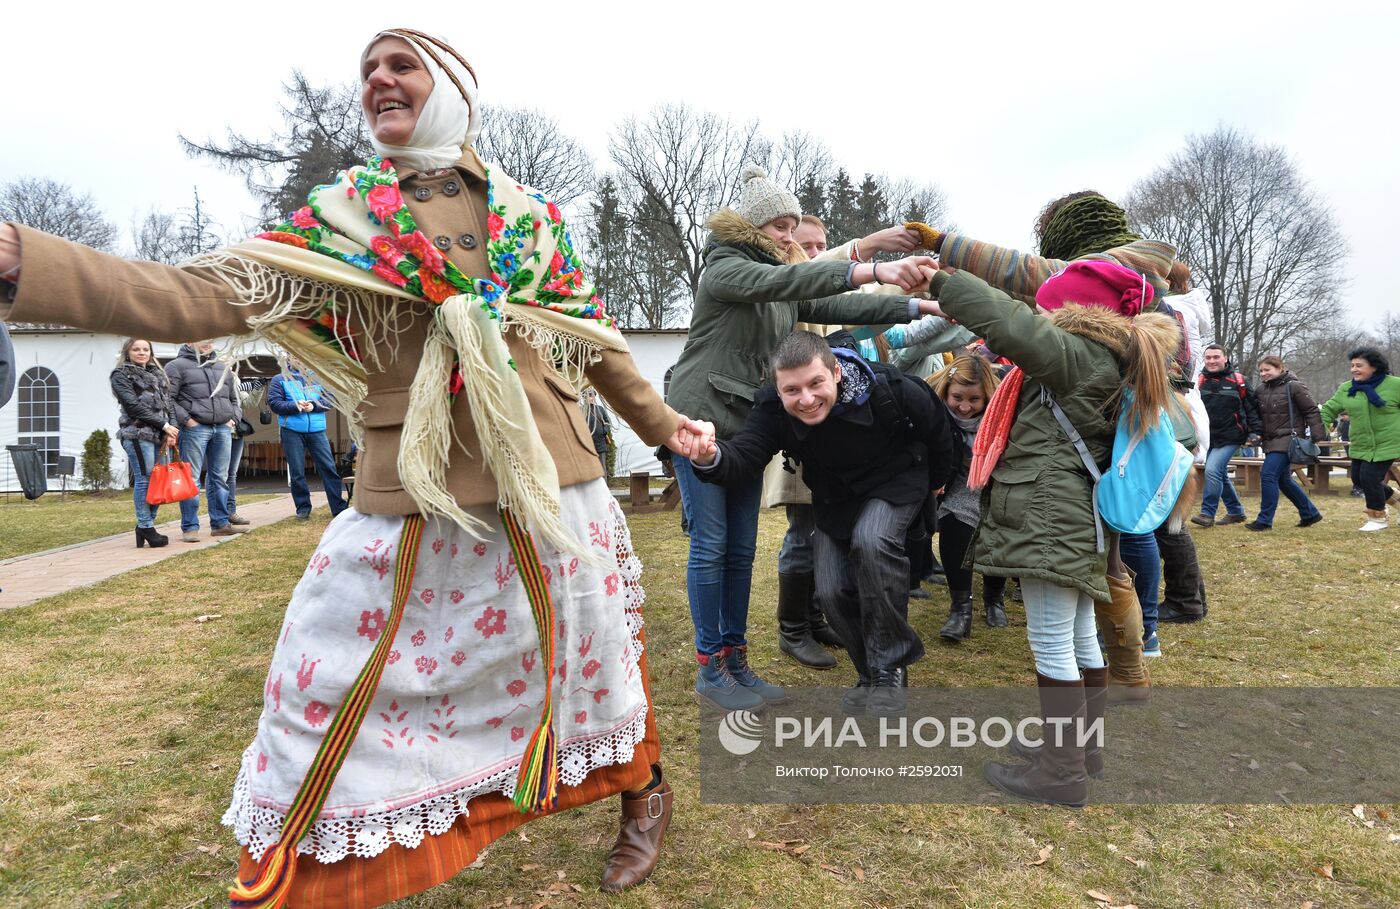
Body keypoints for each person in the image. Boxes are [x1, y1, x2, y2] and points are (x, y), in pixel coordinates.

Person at [0, 29, 716, 905]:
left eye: (401, 64)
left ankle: (643, 791)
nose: (378, 79)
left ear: (450, 87)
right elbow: (191, 295)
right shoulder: (341, 224)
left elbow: (596, 342)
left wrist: (665, 422)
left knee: (589, 657)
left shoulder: (531, 220)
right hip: (416, 493)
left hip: (552, 483)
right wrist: (22, 261)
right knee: (334, 683)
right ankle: (317, 877)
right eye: (369, 70)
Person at [664, 165, 941, 710]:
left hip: (747, 421)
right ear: (750, 227)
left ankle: (737, 662)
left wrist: (915, 306)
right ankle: (710, 668)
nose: (789, 236)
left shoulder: (781, 276)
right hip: (699, 418)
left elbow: (833, 304)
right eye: (778, 226)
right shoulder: (725, 268)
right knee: (712, 545)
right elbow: (787, 282)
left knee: (742, 549)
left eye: (793, 225)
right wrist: (871, 265)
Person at [924, 259, 1186, 806]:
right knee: (1078, 634)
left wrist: (940, 278)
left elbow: (1008, 323)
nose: (1042, 315)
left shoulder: (1081, 354)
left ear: (1075, 311)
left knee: (1051, 641)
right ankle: (1080, 752)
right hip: (1077, 514)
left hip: (1052, 515)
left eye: (1049, 307)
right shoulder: (1112, 357)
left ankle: (1060, 772)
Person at [688, 330, 955, 714]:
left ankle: (890, 671)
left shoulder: (890, 388)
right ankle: (868, 672)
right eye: (792, 390)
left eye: (816, 383)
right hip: (836, 497)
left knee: (872, 541)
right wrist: (709, 456)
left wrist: (936, 483)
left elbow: (937, 429)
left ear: (836, 372)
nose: (807, 399)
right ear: (777, 390)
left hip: (896, 481)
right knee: (830, 589)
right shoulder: (773, 409)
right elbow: (746, 455)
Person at [927, 354, 1006, 641]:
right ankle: (961, 609)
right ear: (946, 391)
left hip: (996, 477)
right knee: (954, 523)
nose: (964, 406)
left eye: (974, 400)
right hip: (958, 479)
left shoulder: (1003, 412)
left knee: (998, 530)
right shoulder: (933, 411)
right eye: (957, 397)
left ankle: (994, 598)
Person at [164, 340, 248, 541]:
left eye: (210, 339)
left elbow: (234, 398)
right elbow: (168, 398)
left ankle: (220, 524)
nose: (207, 343)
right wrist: (187, 421)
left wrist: (232, 419)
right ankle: (190, 527)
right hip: (195, 429)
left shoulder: (222, 366)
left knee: (220, 477)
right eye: (203, 339)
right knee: (191, 478)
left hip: (222, 428)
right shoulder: (175, 366)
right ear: (189, 341)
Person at [1319, 347, 1400, 531]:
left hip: (1388, 442)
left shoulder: (1395, 385)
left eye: (1359, 365)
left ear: (1374, 367)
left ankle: (1377, 517)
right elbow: (1329, 410)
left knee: (1369, 478)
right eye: (1352, 365)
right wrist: (1320, 428)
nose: (1354, 369)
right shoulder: (1347, 388)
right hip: (1361, 442)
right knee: (1359, 479)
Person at [110, 338, 179, 548]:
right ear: (127, 352)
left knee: (158, 480)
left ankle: (147, 525)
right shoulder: (121, 374)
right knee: (145, 478)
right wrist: (164, 425)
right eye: (136, 349)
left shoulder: (158, 374)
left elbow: (169, 405)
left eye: (145, 349)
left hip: (160, 435)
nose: (141, 353)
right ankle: (146, 526)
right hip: (137, 433)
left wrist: (172, 431)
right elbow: (133, 407)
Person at [1247, 355, 1325, 531]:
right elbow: (1257, 415)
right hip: (1270, 439)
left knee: (1268, 475)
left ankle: (1264, 520)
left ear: (1280, 368)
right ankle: (1310, 513)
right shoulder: (1260, 390)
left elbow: (1311, 410)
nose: (1263, 373)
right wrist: (1255, 433)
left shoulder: (1294, 386)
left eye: (1267, 369)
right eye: (1261, 370)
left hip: (1288, 439)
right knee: (1283, 480)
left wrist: (1317, 434)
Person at [267, 361, 349, 521]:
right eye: (293, 354)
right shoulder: (279, 379)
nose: (297, 358)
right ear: (288, 358)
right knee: (297, 472)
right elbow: (274, 404)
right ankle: (303, 509)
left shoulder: (319, 377)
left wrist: (314, 405)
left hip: (317, 431)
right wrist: (295, 406)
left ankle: (338, 508)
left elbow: (330, 400)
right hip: (291, 430)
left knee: (329, 468)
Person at [1192, 344, 1263, 527]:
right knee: (1220, 474)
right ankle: (1236, 511)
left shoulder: (1239, 381)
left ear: (1226, 358)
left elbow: (1251, 409)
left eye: (1216, 357)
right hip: (1207, 438)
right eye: (1208, 358)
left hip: (1231, 436)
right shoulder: (1198, 382)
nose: (1212, 361)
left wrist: (1255, 432)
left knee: (1212, 470)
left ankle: (1207, 513)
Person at [226, 376, 266, 526]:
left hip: (236, 432)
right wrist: (239, 388)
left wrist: (257, 388)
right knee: (217, 474)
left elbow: (248, 403)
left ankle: (231, 512)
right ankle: (218, 515)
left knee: (231, 474)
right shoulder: (210, 373)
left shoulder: (234, 377)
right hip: (220, 432)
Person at [582, 387, 611, 476]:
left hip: (600, 442)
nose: (592, 398)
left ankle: (604, 489)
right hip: (587, 443)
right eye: (589, 396)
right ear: (585, 398)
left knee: (602, 469)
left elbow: (608, 422)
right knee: (588, 469)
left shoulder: (600, 409)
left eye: (593, 395)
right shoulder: (581, 410)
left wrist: (604, 431)